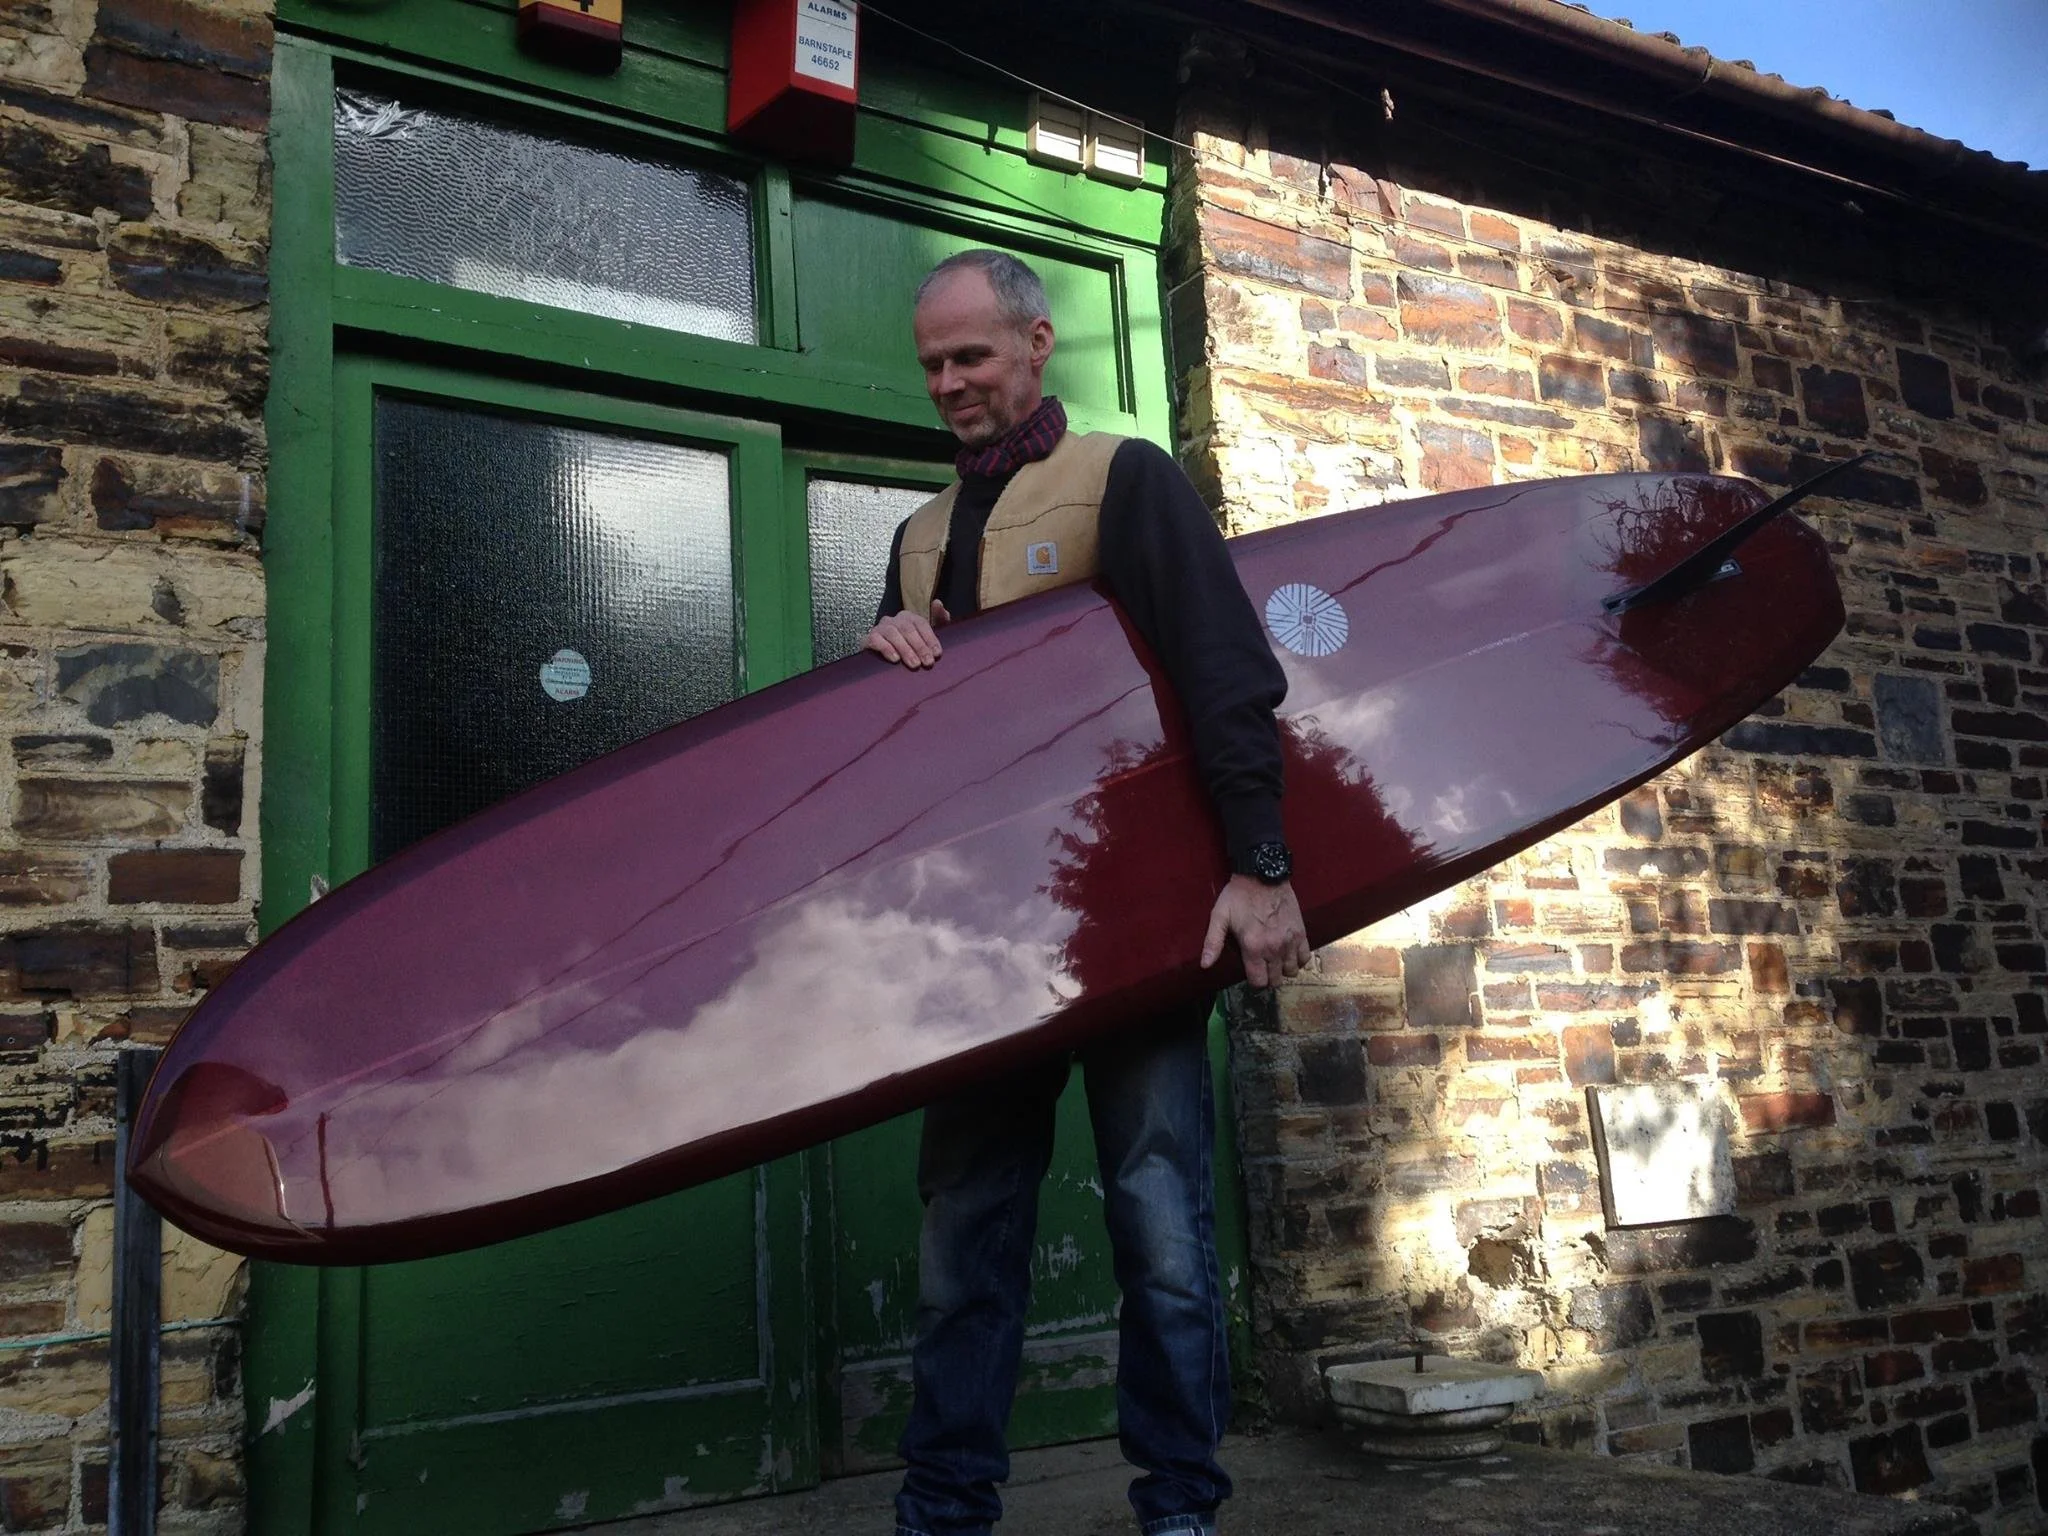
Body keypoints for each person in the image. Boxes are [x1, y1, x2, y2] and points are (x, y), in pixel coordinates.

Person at [864, 249, 1309, 1536]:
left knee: (1162, 1235)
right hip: (982, 946)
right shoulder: (915, 536)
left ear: (1033, 343)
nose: (948, 383)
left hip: (1134, 923)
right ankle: (944, 1508)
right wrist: (882, 654)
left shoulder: (1123, 477)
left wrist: (1259, 865)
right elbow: (896, 755)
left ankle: (1179, 1505)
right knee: (964, 1244)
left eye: (970, 356)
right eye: (931, 365)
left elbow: (1224, 671)